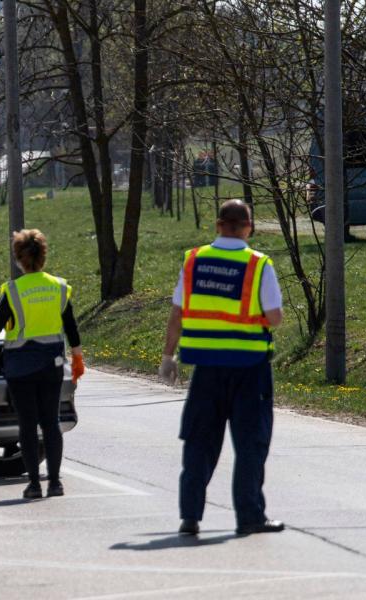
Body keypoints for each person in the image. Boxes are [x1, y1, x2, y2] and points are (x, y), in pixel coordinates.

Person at [159, 199, 285, 537]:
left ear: (217, 225)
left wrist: (168, 356)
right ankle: (249, 517)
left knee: (199, 442)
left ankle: (190, 516)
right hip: (249, 369)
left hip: (206, 370)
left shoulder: (194, 261)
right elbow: (274, 317)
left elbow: (177, 314)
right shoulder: (258, 265)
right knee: (250, 444)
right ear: (249, 227)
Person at [0, 229, 85, 500]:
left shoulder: (13, 290)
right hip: (51, 366)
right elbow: (71, 327)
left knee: (27, 426)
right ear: (43, 256)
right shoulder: (58, 287)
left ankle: (33, 485)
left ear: (19, 259)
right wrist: (78, 358)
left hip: (20, 369)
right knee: (51, 423)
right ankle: (55, 483)